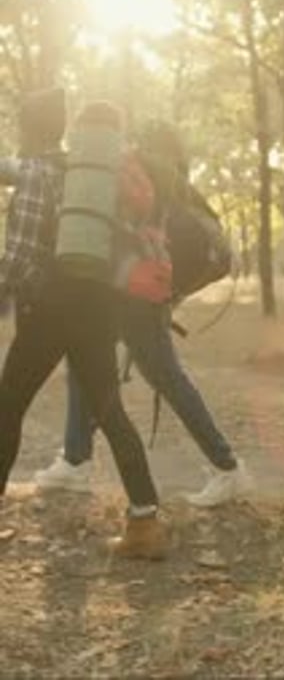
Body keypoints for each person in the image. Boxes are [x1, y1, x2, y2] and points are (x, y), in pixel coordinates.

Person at [31, 119, 252, 508]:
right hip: (140, 291)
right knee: (91, 367)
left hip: (134, 294)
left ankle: (228, 468)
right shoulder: (172, 182)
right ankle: (75, 460)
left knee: (165, 378)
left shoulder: (134, 171)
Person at [0, 92, 167, 560]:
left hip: (52, 306)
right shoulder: (93, 174)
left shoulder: (36, 173)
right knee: (110, 410)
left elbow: (19, 257)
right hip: (100, 305)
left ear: (29, 129)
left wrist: (19, 292)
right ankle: (145, 521)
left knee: (8, 405)